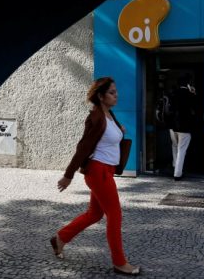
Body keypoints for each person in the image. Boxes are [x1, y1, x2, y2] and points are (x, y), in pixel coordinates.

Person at [50, 77, 141, 276]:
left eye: (116, 92)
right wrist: (68, 175)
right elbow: (83, 147)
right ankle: (119, 263)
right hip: (98, 171)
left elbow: (109, 138)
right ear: (100, 96)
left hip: (106, 171)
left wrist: (120, 131)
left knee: (95, 214)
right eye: (112, 93)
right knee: (115, 215)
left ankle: (60, 238)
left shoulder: (109, 114)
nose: (116, 95)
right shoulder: (96, 117)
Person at [170, 75, 197, 181]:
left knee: (175, 146)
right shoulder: (189, 95)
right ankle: (177, 173)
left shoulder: (173, 94)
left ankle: (175, 166)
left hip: (173, 126)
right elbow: (195, 108)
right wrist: (194, 93)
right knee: (182, 150)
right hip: (184, 127)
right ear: (188, 84)